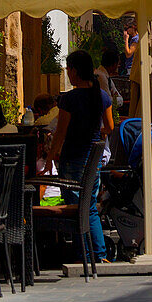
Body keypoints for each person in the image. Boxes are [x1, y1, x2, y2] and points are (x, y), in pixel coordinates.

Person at [48, 49, 113, 264]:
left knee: (76, 207)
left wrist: (50, 156)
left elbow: (61, 132)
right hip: (93, 157)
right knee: (89, 205)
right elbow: (110, 127)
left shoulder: (70, 99)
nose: (67, 73)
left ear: (75, 71)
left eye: (68, 69)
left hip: (73, 157)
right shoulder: (102, 96)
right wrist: (94, 132)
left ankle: (83, 254)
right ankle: (99, 253)